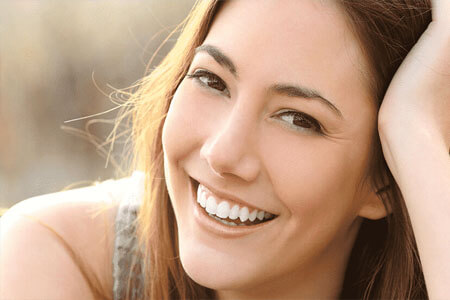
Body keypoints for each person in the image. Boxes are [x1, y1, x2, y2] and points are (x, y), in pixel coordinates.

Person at [1, 0, 449, 299]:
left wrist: (413, 128)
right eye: (212, 80)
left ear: (387, 179)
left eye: (298, 119)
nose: (222, 154)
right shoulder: (55, 259)